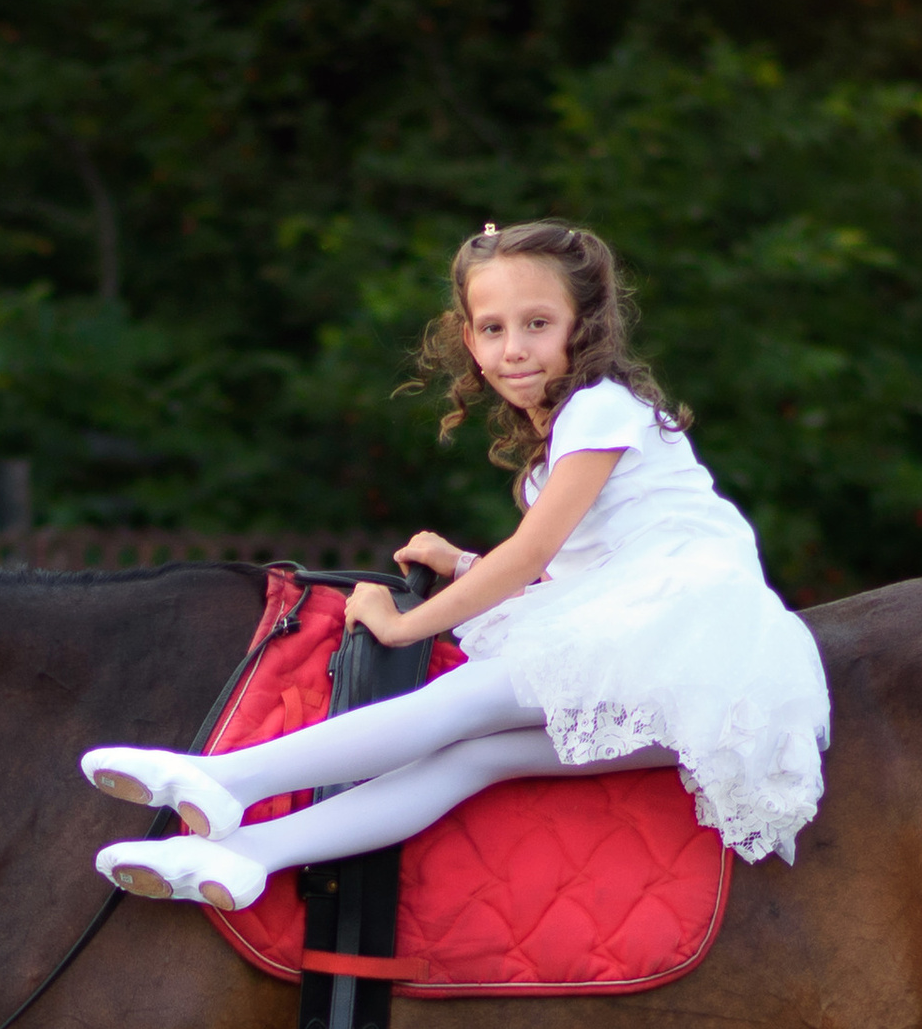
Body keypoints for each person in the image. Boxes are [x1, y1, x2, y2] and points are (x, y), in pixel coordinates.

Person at [82, 219, 831, 910]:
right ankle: (248, 857)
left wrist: (407, 624)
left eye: (538, 324)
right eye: (493, 328)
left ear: (583, 327)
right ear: (468, 341)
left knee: (456, 707)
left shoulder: (601, 406)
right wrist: (466, 560)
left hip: (685, 635)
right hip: (696, 684)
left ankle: (227, 780)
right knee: (474, 760)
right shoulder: (562, 445)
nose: (515, 348)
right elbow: (569, 570)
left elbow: (534, 551)